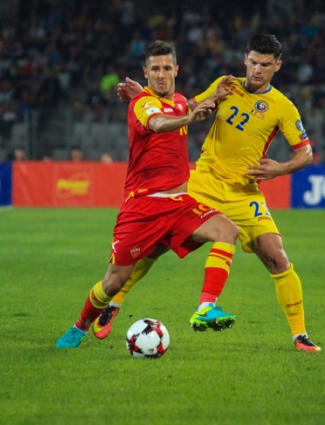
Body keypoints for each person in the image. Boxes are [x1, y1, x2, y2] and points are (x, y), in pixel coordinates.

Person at [106, 34, 320, 352]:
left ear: (277, 65)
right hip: (203, 182)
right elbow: (189, 108)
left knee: (276, 255)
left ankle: (299, 335)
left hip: (244, 192)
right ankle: (113, 305)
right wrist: (146, 95)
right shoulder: (226, 84)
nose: (257, 70)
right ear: (245, 59)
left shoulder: (283, 108)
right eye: (252, 62)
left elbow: (305, 153)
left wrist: (279, 169)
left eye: (265, 65)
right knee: (154, 245)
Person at [56, 40, 240, 349]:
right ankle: (80, 326)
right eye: (155, 69)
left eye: (167, 68)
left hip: (179, 204)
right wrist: (189, 119)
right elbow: (158, 123)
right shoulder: (142, 103)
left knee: (227, 230)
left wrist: (214, 96)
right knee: (114, 280)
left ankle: (206, 307)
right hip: (142, 206)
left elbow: (188, 104)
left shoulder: (180, 101)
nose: (161, 74)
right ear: (146, 73)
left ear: (176, 70)